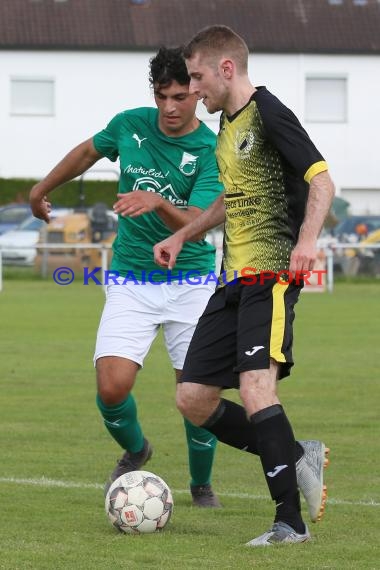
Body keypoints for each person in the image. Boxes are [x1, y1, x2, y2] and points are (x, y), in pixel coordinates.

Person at [154, 26, 335, 545]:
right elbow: (231, 200)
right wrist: (184, 233)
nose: (191, 90)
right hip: (231, 281)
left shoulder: (269, 113)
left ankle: (289, 524)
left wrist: (306, 243)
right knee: (192, 397)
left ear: (225, 68)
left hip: (272, 275)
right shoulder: (227, 128)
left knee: (257, 390)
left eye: (196, 76)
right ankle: (295, 452)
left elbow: (321, 180)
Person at [29, 47, 225, 507]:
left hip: (191, 282)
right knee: (111, 386)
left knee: (195, 394)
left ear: (197, 92)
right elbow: (85, 153)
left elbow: (198, 221)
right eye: (162, 96)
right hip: (130, 278)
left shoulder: (209, 148)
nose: (171, 107)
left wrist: (157, 202)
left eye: (181, 96)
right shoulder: (130, 125)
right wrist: (41, 189)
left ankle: (201, 485)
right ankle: (137, 450)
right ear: (153, 94)